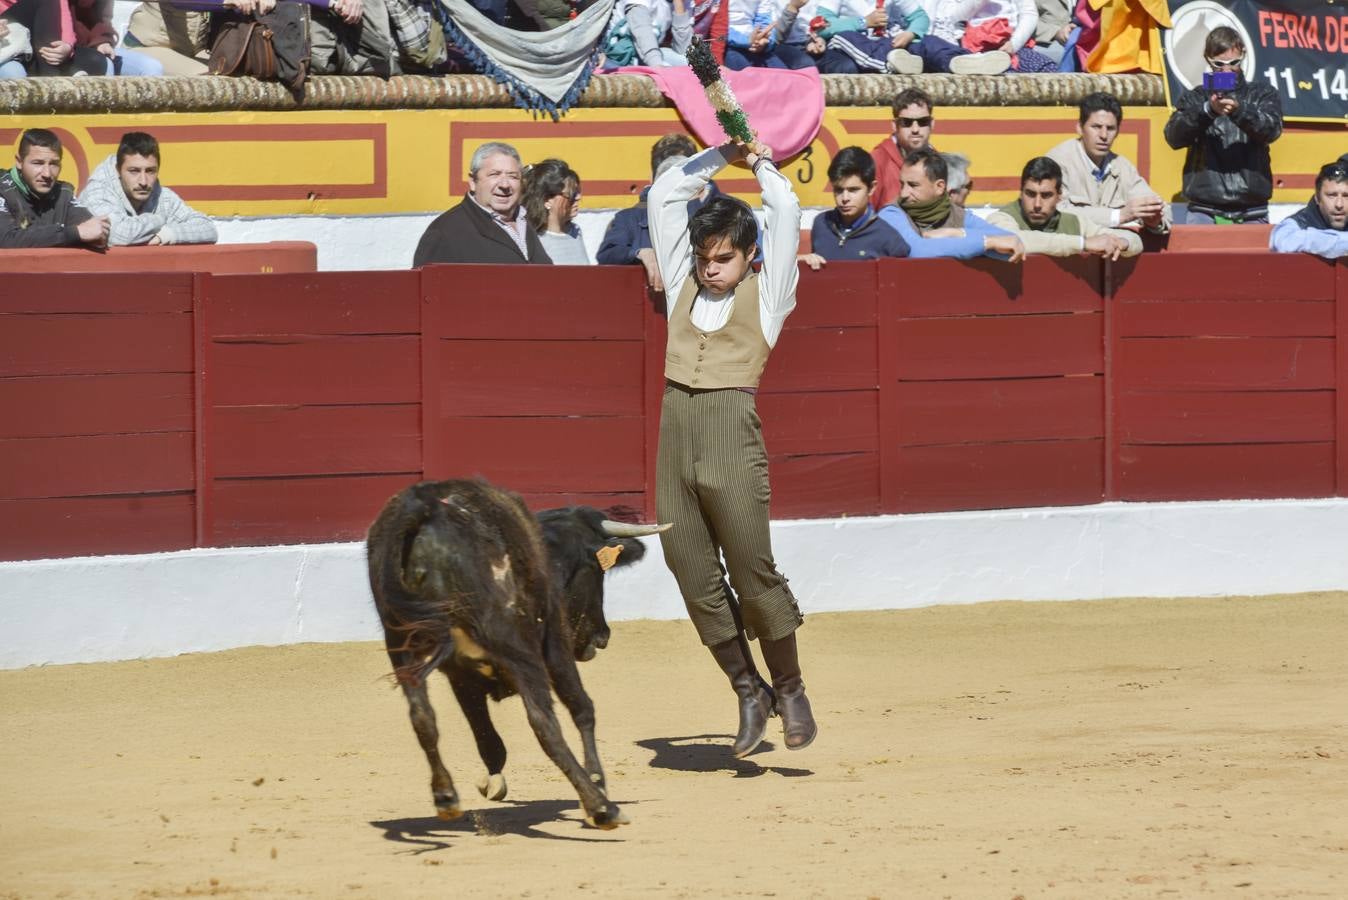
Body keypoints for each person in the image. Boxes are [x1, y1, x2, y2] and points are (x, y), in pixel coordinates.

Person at [647, 137, 818, 757]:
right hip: (675, 442)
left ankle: (791, 687)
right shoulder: (680, 289)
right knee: (689, 569)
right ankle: (749, 690)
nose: (710, 267)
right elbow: (667, 192)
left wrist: (763, 164)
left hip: (731, 442)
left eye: (724, 257)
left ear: (751, 257)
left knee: (752, 571)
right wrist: (723, 153)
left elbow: (789, 211)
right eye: (703, 257)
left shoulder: (770, 299)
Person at [1164, 26, 1282, 225]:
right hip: (1204, 209)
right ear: (1207, 59)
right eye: (1219, 64)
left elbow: (1272, 130)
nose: (1227, 70)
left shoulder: (1263, 93)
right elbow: (1173, 137)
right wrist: (1207, 111)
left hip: (1252, 208)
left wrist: (1240, 111)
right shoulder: (1196, 96)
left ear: (1243, 55)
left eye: (1233, 63)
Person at [1047, 91, 1170, 234]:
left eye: (1110, 128)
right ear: (1080, 128)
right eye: (1096, 127)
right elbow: (1057, 213)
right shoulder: (1057, 162)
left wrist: (1154, 221)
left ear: (1118, 132)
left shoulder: (1123, 167)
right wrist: (1118, 216)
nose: (1104, 135)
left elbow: (1162, 209)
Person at [596, 133, 706, 289]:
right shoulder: (629, 219)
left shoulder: (713, 215)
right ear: (654, 181)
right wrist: (641, 253)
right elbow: (607, 255)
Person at [413, 142, 550, 266]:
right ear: (473, 181)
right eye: (494, 174)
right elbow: (426, 291)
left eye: (512, 176)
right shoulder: (445, 232)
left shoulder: (523, 220)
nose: (504, 184)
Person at [877, 146, 1025, 261]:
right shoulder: (891, 214)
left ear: (939, 187)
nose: (903, 193)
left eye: (913, 185)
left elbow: (1010, 241)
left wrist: (956, 233)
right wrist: (985, 243)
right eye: (902, 184)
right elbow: (916, 250)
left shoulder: (956, 214)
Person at [77, 132, 217, 246]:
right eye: (134, 171)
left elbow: (208, 229)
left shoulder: (162, 195)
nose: (143, 182)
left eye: (150, 171)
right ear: (118, 170)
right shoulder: (97, 193)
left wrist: (167, 234)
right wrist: (159, 219)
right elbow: (121, 235)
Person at [985, 156, 1138, 259]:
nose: (1037, 204)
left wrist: (1122, 243)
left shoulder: (1074, 222)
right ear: (1021, 193)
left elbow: (1135, 240)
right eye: (1030, 194)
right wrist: (1083, 244)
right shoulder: (1001, 219)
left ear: (1059, 196)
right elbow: (1016, 240)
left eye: (1046, 195)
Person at [801, 146, 909, 268]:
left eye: (853, 190)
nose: (845, 198)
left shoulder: (889, 239)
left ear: (872, 188)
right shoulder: (821, 223)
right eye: (839, 190)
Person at [0, 128, 108, 249]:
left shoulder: (64, 193)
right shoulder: (3, 189)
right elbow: (5, 239)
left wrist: (93, 233)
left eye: (53, 164)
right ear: (19, 162)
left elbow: (93, 231)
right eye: (38, 163)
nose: (47, 173)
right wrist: (73, 233)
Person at [886, 0, 1051, 75]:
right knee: (1006, 76)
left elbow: (1029, 13)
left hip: (1012, 43)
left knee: (1047, 68)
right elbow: (954, 17)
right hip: (978, 47)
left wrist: (1014, 44)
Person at [814, 0, 929, 75]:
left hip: (884, 42)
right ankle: (888, 65)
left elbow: (920, 17)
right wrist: (863, 22)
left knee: (928, 40)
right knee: (848, 38)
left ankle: (946, 59)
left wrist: (911, 33)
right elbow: (822, 26)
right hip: (848, 45)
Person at [869, 86, 933, 211]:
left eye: (923, 121)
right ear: (894, 125)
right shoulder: (878, 160)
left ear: (932, 124)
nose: (915, 129)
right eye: (907, 122)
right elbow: (867, 217)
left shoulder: (939, 160)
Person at [1269, 161, 1348, 259]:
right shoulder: (1298, 223)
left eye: (1346, 196)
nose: (1339, 204)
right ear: (1317, 198)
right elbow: (1282, 241)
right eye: (1331, 195)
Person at [522, 158, 589, 265]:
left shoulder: (575, 232)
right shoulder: (532, 241)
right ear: (547, 200)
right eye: (571, 194)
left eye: (578, 192)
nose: (578, 197)